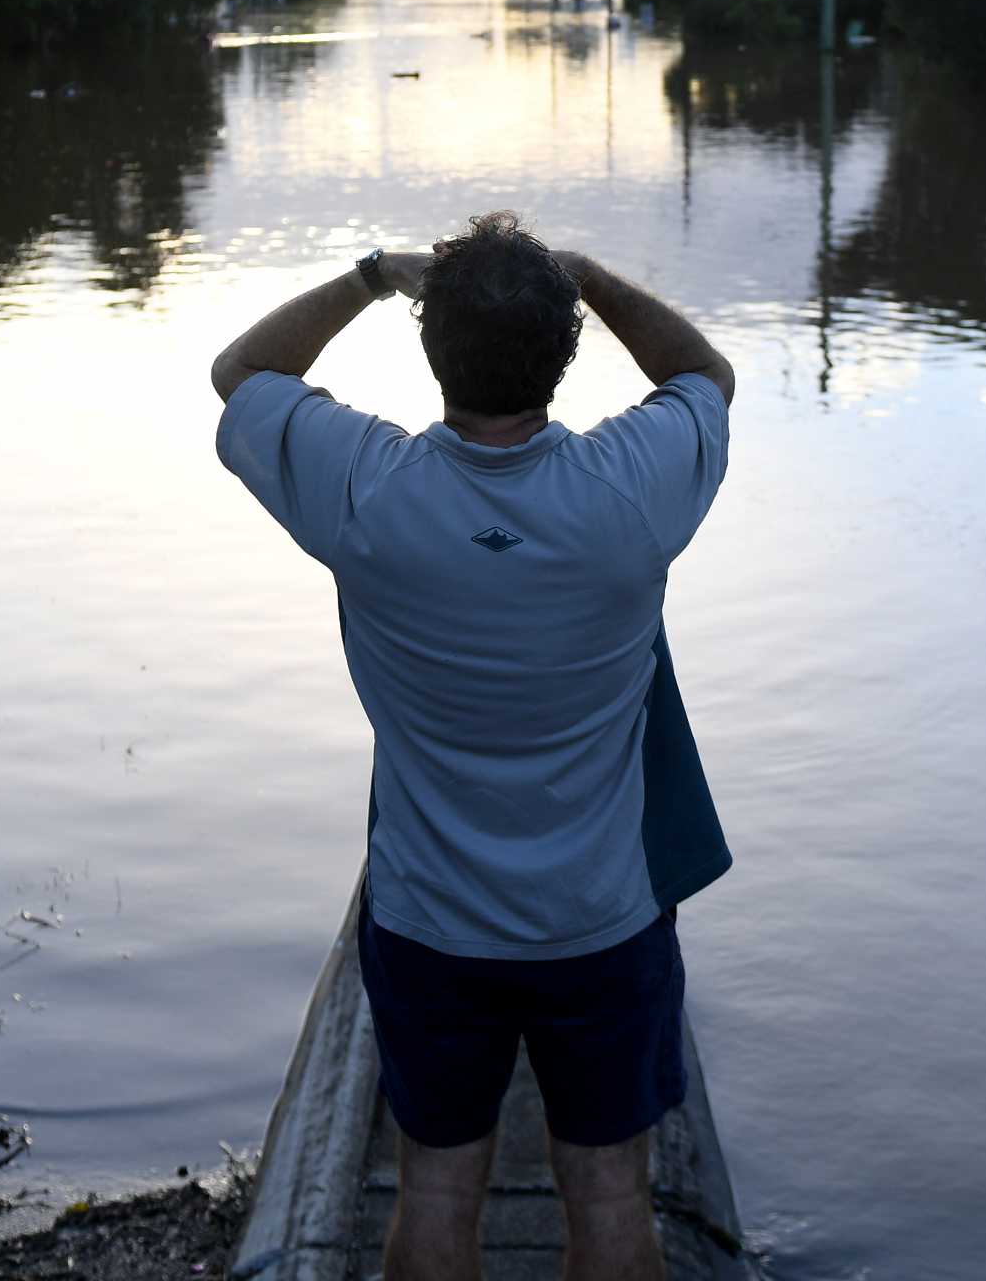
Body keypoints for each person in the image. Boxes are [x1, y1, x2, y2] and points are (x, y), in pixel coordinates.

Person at [213, 212, 736, 1281]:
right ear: (567, 347)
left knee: (438, 1187)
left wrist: (368, 276)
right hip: (601, 918)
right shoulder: (628, 492)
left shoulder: (367, 488)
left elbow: (242, 371)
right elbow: (705, 374)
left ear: (429, 347)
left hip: (430, 918)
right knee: (608, 1193)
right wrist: (588, 274)